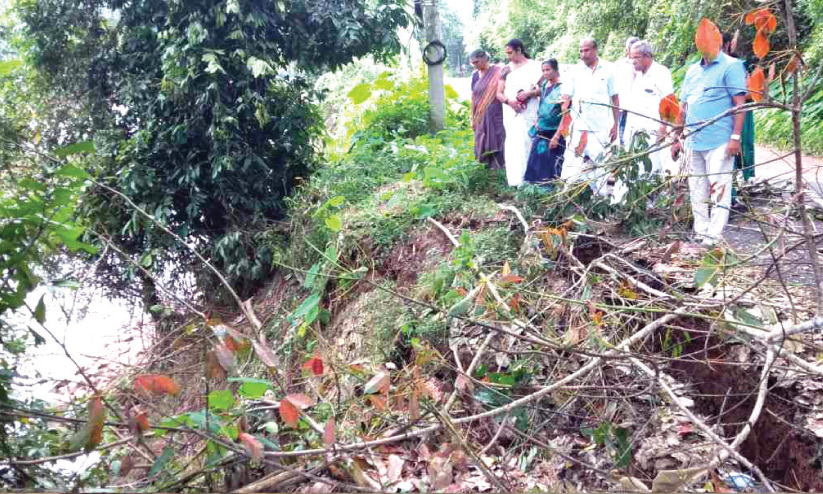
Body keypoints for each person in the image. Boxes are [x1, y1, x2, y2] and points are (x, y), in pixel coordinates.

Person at [671, 36, 747, 247]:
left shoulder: (732, 66)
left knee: (719, 190)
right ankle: (700, 232)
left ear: (720, 43)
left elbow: (740, 105)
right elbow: (683, 106)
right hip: (694, 140)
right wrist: (676, 138)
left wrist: (735, 137)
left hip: (720, 140)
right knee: (696, 188)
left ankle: (713, 237)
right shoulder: (693, 70)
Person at [561, 38, 620, 195]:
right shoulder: (574, 71)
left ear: (595, 50)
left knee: (600, 163)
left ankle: (600, 199)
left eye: (586, 50)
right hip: (578, 126)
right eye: (580, 51)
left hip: (600, 127)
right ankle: (569, 196)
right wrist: (564, 105)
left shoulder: (609, 69)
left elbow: (615, 98)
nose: (583, 54)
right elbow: (566, 96)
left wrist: (615, 124)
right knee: (573, 162)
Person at [496, 39, 542, 186]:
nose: (508, 56)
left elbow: (543, 89)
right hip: (511, 112)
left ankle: (531, 180)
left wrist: (528, 94)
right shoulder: (505, 69)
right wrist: (510, 102)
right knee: (513, 144)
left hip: (529, 111)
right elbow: (499, 93)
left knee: (529, 141)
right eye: (506, 53)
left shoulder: (535, 66)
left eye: (510, 53)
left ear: (519, 50)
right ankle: (516, 181)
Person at [722, 33, 756, 206]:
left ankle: (731, 197)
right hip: (719, 121)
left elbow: (751, 93)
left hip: (736, 116)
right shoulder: (704, 66)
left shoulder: (738, 65)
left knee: (733, 156)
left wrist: (735, 97)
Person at [524, 59, 569, 184]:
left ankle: (551, 190)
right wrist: (537, 119)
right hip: (542, 128)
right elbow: (542, 103)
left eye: (548, 70)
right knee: (536, 159)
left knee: (553, 162)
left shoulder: (563, 87)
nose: (545, 73)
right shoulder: (545, 85)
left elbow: (565, 114)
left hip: (555, 130)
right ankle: (534, 189)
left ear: (556, 69)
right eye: (543, 70)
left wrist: (557, 135)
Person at [470, 50, 506, 170]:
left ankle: (499, 166)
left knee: (498, 136)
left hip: (496, 111)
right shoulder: (475, 75)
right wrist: (472, 117)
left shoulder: (498, 71)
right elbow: (473, 96)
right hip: (479, 113)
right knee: (481, 137)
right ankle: (484, 166)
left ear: (485, 58)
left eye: (477, 62)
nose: (475, 65)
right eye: (472, 63)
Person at [617, 36, 639, 145]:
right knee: (621, 127)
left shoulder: (643, 65)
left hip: (638, 104)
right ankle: (622, 148)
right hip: (623, 102)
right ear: (627, 50)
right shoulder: (619, 65)